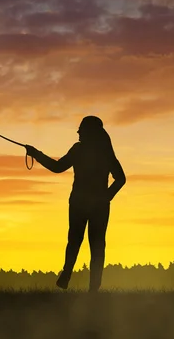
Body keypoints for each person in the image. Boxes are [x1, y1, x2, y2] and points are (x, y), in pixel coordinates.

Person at [25, 116, 126, 292]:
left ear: (88, 132)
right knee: (96, 244)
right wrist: (106, 196)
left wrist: (36, 154)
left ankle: (67, 274)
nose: (78, 132)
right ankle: (93, 286)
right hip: (97, 205)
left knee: (75, 240)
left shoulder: (79, 150)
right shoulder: (105, 153)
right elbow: (121, 179)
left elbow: (57, 167)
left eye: (81, 129)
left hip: (79, 202)